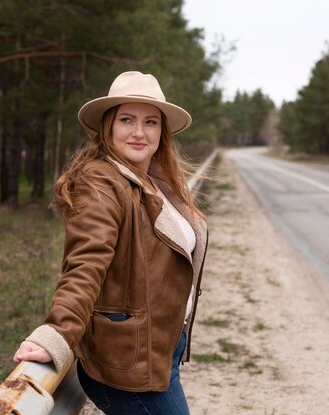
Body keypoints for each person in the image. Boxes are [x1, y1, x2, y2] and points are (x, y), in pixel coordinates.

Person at [13, 71, 208, 414]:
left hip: (156, 355)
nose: (138, 132)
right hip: (127, 370)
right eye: (126, 120)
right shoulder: (101, 183)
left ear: (162, 132)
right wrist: (56, 334)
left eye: (150, 122)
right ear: (108, 126)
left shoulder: (154, 181)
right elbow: (86, 263)